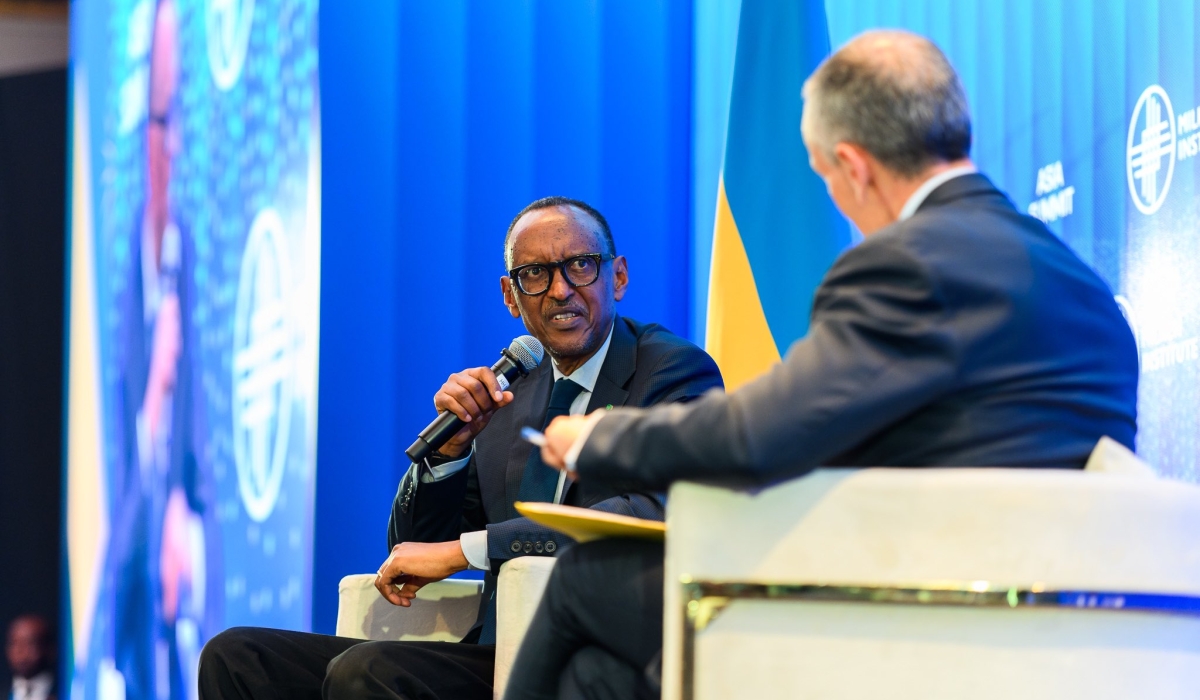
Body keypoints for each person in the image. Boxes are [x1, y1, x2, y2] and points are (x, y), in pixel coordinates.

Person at [504, 30, 1140, 700]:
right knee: (599, 678)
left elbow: (757, 436)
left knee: (585, 575)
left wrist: (600, 438)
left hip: (916, 619)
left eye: (823, 174)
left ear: (854, 165)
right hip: (1043, 625)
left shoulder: (907, 263)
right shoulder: (1079, 282)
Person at [198, 196, 724, 699]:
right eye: (535, 274)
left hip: (598, 663)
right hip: (495, 651)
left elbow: (651, 511)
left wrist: (467, 551)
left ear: (620, 276)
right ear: (510, 296)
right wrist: (448, 456)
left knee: (369, 673)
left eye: (581, 266)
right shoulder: (509, 387)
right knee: (237, 656)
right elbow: (411, 550)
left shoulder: (670, 371)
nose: (561, 290)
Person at [91, 1, 219, 697]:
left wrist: (184, 515)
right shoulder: (126, 286)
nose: (172, 148)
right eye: (164, 122)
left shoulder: (192, 263)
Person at [5, 614, 55, 700]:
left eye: (30, 644)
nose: (20, 651)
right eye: (14, 643)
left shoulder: (68, 692)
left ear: (49, 649)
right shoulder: (3, 692)